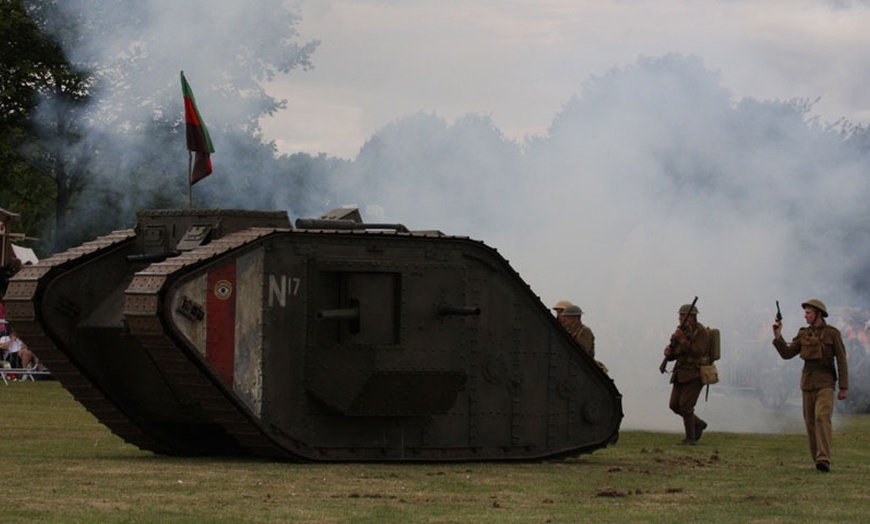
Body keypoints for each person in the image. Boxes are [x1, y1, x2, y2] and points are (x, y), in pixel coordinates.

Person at [772, 299, 848, 472]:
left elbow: (842, 360)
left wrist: (844, 386)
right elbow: (787, 353)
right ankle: (818, 459)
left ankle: (824, 457)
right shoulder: (803, 333)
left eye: (808, 313)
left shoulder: (832, 334)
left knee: (822, 417)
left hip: (826, 382)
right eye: (805, 312)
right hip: (808, 383)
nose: (805, 316)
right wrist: (778, 336)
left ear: (818, 314)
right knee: (810, 421)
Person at [662, 303, 711, 445]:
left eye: (684, 316)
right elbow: (676, 352)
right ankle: (699, 424)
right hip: (681, 372)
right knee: (674, 405)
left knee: (685, 406)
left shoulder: (701, 332)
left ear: (693, 317)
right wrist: (669, 353)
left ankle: (690, 438)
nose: (680, 318)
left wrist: (682, 339)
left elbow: (697, 352)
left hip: (695, 372)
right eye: (680, 315)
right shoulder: (680, 331)